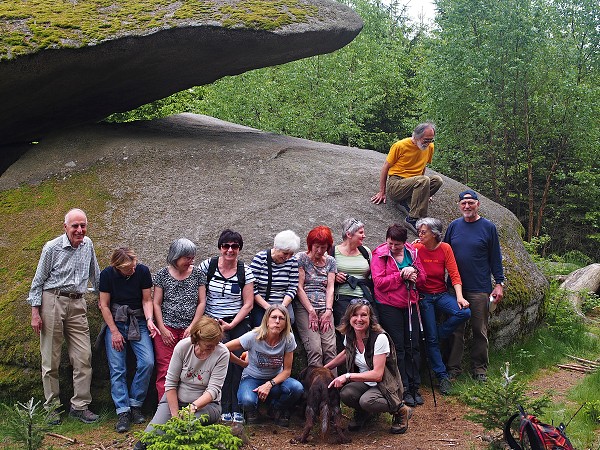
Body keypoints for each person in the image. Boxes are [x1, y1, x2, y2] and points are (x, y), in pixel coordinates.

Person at [27, 208, 100, 424]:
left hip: (78, 302)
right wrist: (35, 313)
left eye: (83, 225)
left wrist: (104, 298)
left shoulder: (89, 245)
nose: (79, 230)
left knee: (83, 356)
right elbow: (38, 281)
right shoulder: (52, 247)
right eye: (75, 226)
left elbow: (95, 275)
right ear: (65, 227)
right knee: (51, 358)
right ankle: (51, 407)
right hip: (53, 301)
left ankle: (80, 406)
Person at [133, 316, 230, 450]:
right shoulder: (183, 347)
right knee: (149, 438)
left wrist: (193, 407)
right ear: (197, 340)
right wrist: (175, 415)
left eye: (215, 344)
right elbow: (171, 383)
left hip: (207, 406)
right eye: (208, 346)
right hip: (174, 401)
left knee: (186, 427)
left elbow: (213, 390)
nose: (212, 349)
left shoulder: (222, 353)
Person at [443, 190, 505, 382]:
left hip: (479, 288)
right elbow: (442, 252)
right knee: (455, 330)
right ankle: (453, 369)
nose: (467, 206)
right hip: (454, 288)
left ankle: (480, 370)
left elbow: (495, 257)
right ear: (459, 205)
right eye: (464, 203)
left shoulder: (488, 227)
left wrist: (499, 284)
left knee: (479, 330)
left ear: (478, 204)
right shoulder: (454, 226)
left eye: (471, 202)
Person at [325, 300, 412, 435]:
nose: (359, 319)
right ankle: (364, 414)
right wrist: (325, 368)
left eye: (363, 315)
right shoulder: (350, 334)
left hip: (386, 384)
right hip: (366, 382)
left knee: (367, 401)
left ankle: (400, 409)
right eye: (355, 315)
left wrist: (347, 376)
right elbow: (347, 352)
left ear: (370, 317)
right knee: (346, 393)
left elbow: (377, 374)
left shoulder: (380, 338)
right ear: (349, 317)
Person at [99, 247, 159, 432]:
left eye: (134, 266)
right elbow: (104, 305)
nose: (133, 270)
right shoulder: (107, 275)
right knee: (117, 368)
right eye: (129, 269)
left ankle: (135, 404)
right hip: (116, 320)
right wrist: (114, 331)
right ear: (118, 267)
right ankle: (122, 411)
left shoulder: (141, 271)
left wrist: (149, 320)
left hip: (138, 321)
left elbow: (147, 300)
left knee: (147, 362)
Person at [198, 229, 255, 424]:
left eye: (234, 246)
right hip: (212, 320)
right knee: (219, 361)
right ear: (220, 247)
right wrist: (209, 321)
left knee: (237, 360)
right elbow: (201, 295)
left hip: (236, 319)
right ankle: (221, 404)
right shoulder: (208, 265)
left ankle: (236, 406)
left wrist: (231, 323)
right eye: (226, 246)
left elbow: (248, 303)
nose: (230, 250)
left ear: (239, 249)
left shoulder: (244, 271)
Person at [413, 218, 471, 395]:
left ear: (435, 234)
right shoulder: (415, 248)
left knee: (464, 312)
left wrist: (460, 297)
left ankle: (436, 334)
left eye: (424, 232)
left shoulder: (445, 248)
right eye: (419, 232)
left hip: (441, 294)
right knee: (430, 339)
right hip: (424, 297)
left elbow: (454, 274)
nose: (420, 235)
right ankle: (442, 376)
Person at [371, 224, 427, 407]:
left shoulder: (412, 253)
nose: (393, 248)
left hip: (411, 304)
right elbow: (379, 282)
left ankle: (414, 387)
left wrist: (415, 273)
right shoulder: (379, 254)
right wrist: (401, 276)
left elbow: (423, 278)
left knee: (414, 345)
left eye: (397, 245)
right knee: (399, 348)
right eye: (390, 243)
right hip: (389, 306)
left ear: (405, 243)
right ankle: (402, 387)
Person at [226, 305, 304, 427]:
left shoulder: (288, 339)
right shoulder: (253, 336)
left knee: (296, 388)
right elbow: (224, 349)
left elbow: (287, 371)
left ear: (286, 322)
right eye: (274, 317)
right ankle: (252, 411)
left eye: (281, 318)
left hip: (276, 380)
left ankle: (276, 408)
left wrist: (269, 384)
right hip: (252, 378)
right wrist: (241, 363)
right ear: (267, 320)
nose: (277, 321)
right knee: (247, 400)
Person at [152, 238, 206, 400]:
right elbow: (156, 303)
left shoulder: (198, 274)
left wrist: (192, 327)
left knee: (190, 369)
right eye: (187, 258)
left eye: (192, 257)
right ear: (175, 257)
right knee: (165, 369)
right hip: (166, 330)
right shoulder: (162, 275)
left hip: (190, 330)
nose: (190, 261)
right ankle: (165, 408)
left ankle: (186, 407)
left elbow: (202, 302)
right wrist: (162, 329)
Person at [370, 122, 443, 232]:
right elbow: (385, 167)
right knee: (423, 180)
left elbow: (423, 166)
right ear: (416, 136)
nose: (428, 143)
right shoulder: (400, 145)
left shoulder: (430, 147)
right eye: (426, 140)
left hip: (414, 183)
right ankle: (413, 219)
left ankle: (407, 203)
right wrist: (382, 191)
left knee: (437, 180)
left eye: (431, 140)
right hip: (397, 184)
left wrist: (425, 188)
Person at [294, 226, 337, 371]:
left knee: (330, 349)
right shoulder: (301, 258)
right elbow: (299, 287)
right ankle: (317, 389)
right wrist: (311, 311)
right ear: (310, 244)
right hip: (305, 307)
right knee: (315, 350)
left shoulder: (330, 261)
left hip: (325, 307)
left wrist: (328, 310)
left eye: (323, 247)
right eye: (316, 247)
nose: (319, 251)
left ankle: (333, 388)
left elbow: (330, 287)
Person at [249, 230, 300, 327]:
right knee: (261, 324)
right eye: (285, 253)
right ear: (276, 247)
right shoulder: (260, 258)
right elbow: (251, 288)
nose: (288, 257)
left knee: (288, 321)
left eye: (291, 254)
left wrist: (282, 307)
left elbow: (293, 286)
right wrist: (268, 307)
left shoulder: (292, 261)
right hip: (262, 303)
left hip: (282, 302)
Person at [331, 218, 373, 329]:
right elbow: (322, 273)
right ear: (349, 234)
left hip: (364, 297)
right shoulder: (332, 252)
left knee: (366, 330)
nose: (364, 236)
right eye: (361, 233)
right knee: (345, 329)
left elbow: (373, 274)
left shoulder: (366, 252)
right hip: (342, 297)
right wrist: (334, 278)